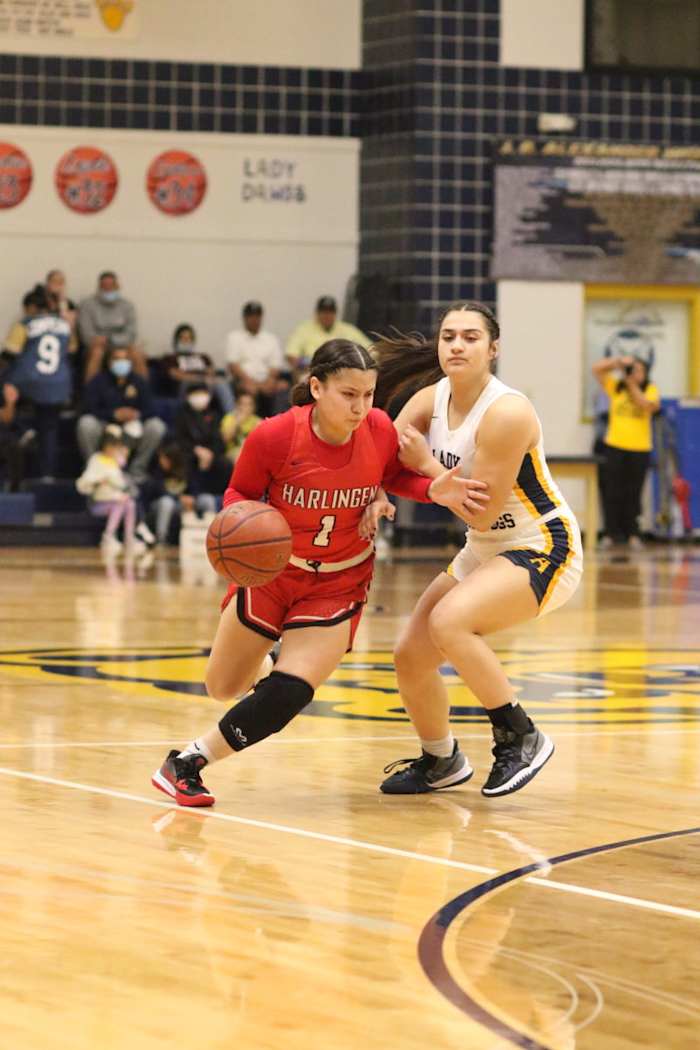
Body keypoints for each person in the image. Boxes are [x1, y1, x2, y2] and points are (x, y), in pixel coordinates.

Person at [151, 338, 489, 807]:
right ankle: (265, 666)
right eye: (348, 395)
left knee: (290, 692)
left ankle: (187, 762)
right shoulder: (273, 435)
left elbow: (393, 477)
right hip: (273, 572)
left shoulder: (378, 430)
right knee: (222, 686)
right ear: (316, 387)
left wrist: (435, 490)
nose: (361, 407)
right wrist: (243, 533)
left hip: (340, 579)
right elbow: (238, 495)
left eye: (368, 395)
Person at [369, 301, 583, 798]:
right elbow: (379, 456)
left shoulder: (507, 411)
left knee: (449, 622)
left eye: (469, 337)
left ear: (493, 349)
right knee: (410, 655)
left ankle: (520, 735)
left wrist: (423, 464)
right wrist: (377, 489)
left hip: (542, 544)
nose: (457, 345)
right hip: (485, 547)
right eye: (448, 337)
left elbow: (480, 512)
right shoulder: (429, 399)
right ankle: (441, 760)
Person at [1, 284, 72, 480]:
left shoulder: (25, 323)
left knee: (7, 396)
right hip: (58, 383)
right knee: (49, 429)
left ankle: (23, 430)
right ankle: (47, 474)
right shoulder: (64, 325)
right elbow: (71, 351)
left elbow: (9, 353)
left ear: (31, 307)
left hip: (28, 381)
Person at [592, 353, 660, 549]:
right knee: (612, 491)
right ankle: (610, 533)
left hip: (640, 449)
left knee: (634, 493)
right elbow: (596, 369)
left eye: (639, 370)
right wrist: (619, 362)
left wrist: (631, 384)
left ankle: (633, 534)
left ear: (646, 373)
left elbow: (647, 406)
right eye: (633, 369)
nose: (635, 373)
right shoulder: (616, 388)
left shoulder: (650, 389)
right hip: (615, 446)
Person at [77, 346, 167, 482]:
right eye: (117, 359)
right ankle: (95, 468)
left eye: (125, 359)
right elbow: (88, 408)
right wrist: (113, 414)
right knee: (86, 423)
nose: (121, 362)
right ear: (109, 361)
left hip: (132, 429)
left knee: (157, 426)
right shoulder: (98, 381)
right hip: (106, 427)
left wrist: (136, 414)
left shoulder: (139, 381)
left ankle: (137, 470)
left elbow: (151, 409)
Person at [75, 429, 144, 556]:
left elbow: (121, 484)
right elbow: (84, 482)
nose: (114, 450)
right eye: (112, 447)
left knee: (130, 504)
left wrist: (121, 461)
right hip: (99, 503)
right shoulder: (96, 459)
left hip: (115, 498)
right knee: (120, 504)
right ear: (105, 446)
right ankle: (108, 536)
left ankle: (129, 536)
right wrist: (100, 480)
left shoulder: (115, 462)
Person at [79, 271, 146, 382]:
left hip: (121, 345)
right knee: (97, 353)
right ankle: (90, 394)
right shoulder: (87, 305)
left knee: (137, 354)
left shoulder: (127, 306)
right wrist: (98, 341)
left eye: (111, 285)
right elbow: (86, 335)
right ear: (99, 287)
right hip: (97, 346)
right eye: (105, 286)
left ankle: (143, 393)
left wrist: (110, 339)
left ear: (118, 286)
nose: (108, 289)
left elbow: (131, 333)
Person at [285, 296, 371, 381]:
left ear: (335, 313)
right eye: (324, 312)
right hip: (311, 371)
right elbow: (291, 355)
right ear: (317, 313)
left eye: (330, 312)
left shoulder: (347, 329)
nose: (327, 316)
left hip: (344, 372)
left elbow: (371, 349)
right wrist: (310, 365)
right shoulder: (304, 329)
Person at [225, 301, 288, 417]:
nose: (254, 319)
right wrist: (249, 382)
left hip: (266, 380)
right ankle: (249, 428)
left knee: (283, 387)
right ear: (244, 318)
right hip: (243, 381)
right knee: (249, 389)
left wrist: (269, 381)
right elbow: (233, 365)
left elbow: (275, 365)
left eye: (257, 316)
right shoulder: (234, 337)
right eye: (251, 316)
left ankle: (276, 426)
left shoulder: (271, 339)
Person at [160, 323, 234, 414]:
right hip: (186, 387)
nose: (186, 341)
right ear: (177, 340)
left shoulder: (203, 357)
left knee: (221, 382)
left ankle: (231, 417)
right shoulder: (170, 358)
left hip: (207, 386)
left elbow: (211, 372)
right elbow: (176, 375)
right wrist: (201, 379)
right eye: (183, 338)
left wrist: (211, 376)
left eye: (189, 338)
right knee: (188, 382)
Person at [220, 391, 261, 463]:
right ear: (237, 405)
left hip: (253, 452)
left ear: (254, 407)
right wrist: (237, 422)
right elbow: (225, 439)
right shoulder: (230, 418)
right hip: (232, 451)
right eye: (242, 404)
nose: (245, 407)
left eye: (249, 404)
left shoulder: (258, 421)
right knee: (240, 456)